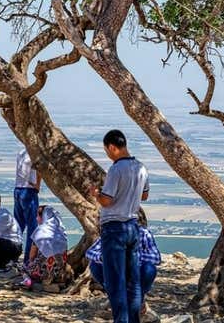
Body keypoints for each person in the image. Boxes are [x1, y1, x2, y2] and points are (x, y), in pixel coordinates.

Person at [88, 129, 149, 323]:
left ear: (112, 147)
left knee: (116, 282)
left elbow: (107, 201)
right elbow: (145, 196)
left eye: (107, 150)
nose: (107, 153)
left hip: (115, 228)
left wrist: (96, 194)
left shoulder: (116, 169)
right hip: (133, 225)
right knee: (133, 282)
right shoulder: (141, 167)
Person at [87, 208, 161, 319]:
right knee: (95, 266)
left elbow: (156, 257)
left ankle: (137, 299)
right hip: (115, 271)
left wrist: (130, 258)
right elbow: (90, 252)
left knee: (149, 269)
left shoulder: (144, 234)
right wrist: (104, 258)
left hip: (136, 272)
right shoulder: (110, 233)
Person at [22, 205, 71, 288]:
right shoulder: (61, 231)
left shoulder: (40, 231)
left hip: (43, 273)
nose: (37, 219)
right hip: (60, 272)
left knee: (23, 268)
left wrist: (30, 263)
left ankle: (27, 281)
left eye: (37, 216)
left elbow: (32, 255)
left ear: (43, 217)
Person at [14, 148, 42, 266]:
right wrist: (37, 185)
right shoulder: (35, 152)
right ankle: (28, 260)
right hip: (28, 191)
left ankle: (11, 257)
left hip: (17, 190)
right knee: (33, 228)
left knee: (18, 226)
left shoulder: (21, 152)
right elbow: (39, 169)